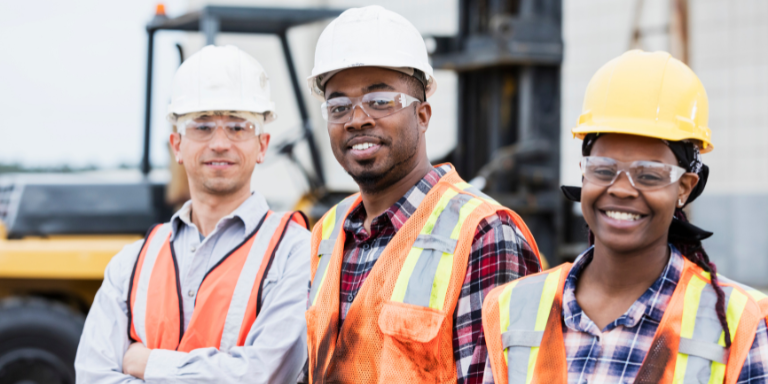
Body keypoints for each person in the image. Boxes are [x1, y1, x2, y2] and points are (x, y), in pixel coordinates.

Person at [482, 50, 768, 384]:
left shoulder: (742, 324)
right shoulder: (513, 308)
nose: (621, 189)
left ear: (685, 188)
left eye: (648, 174)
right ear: (583, 175)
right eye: (603, 170)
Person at [299, 6, 542, 383]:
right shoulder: (328, 232)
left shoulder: (484, 234)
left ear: (424, 115)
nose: (357, 118)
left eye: (380, 101)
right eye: (339, 106)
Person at [75, 45, 311, 383]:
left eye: (238, 126)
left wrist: (150, 364)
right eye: (201, 126)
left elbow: (263, 375)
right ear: (176, 145)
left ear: (261, 145)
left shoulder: (296, 253)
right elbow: (92, 377)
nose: (219, 142)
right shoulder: (131, 264)